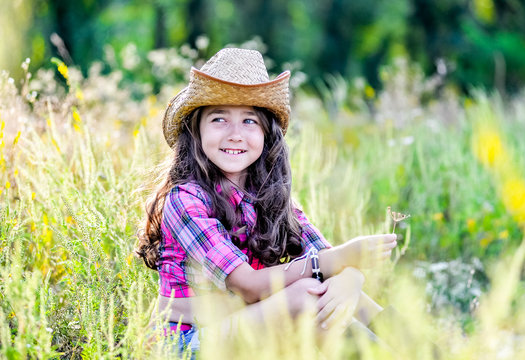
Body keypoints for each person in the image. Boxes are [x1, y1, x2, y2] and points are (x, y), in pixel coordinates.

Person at [135, 48, 397, 355]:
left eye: (249, 121)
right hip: (186, 343)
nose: (235, 135)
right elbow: (249, 284)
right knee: (306, 295)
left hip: (244, 325)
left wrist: (352, 278)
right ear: (195, 130)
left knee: (336, 294)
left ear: (266, 134)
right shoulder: (186, 200)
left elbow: (330, 258)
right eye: (219, 119)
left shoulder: (270, 198)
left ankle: (424, 351)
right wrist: (339, 263)